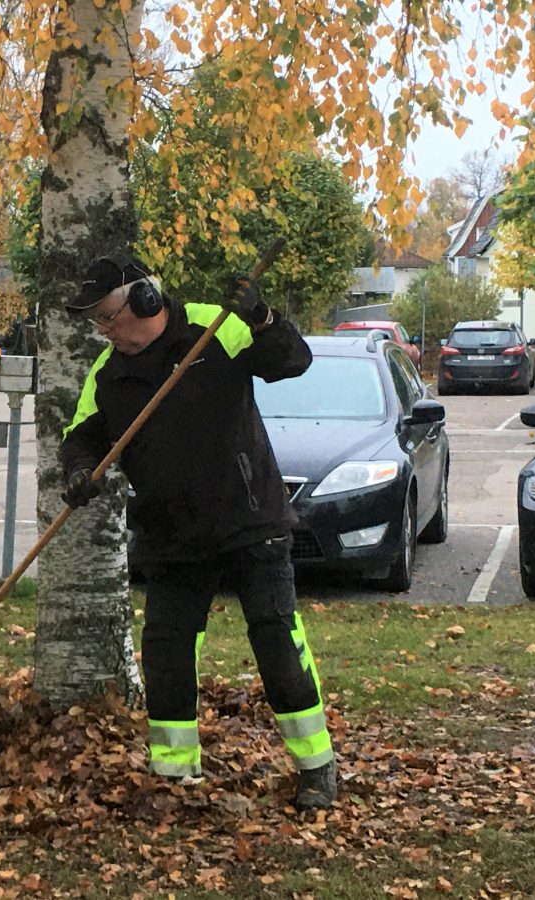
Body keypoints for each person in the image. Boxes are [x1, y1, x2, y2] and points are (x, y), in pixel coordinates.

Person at [58, 252, 338, 810]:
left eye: (108, 317)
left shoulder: (214, 327)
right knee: (165, 654)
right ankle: (174, 777)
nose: (104, 331)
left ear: (145, 299)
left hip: (249, 518)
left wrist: (262, 319)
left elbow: (292, 360)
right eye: (96, 323)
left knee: (276, 640)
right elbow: (81, 435)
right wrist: (76, 472)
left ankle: (316, 768)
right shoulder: (109, 373)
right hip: (171, 534)